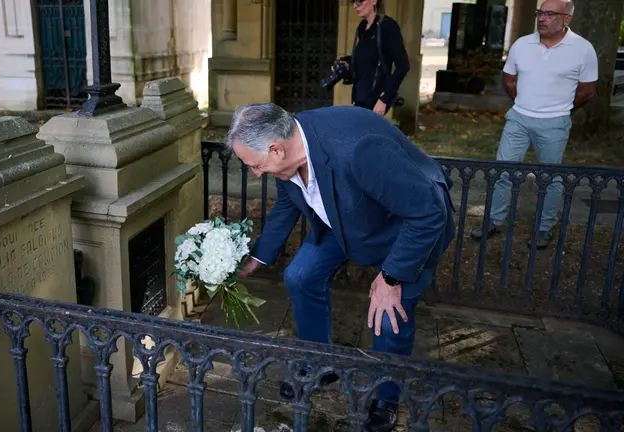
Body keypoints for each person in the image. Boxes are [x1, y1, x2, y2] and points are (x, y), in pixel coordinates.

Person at [227, 103, 456, 432]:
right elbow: (289, 203)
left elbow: (428, 213)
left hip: (403, 224)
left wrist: (391, 278)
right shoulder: (287, 150)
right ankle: (321, 364)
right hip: (344, 213)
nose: (256, 173)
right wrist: (258, 256)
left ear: (276, 149)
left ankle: (387, 396)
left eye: (256, 165)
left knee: (387, 316)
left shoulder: (360, 151)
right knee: (300, 276)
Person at [471, 0, 597, 249]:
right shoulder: (522, 44)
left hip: (554, 123)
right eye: (540, 13)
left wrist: (562, 110)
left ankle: (543, 228)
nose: (541, 18)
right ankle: (493, 220)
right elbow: (509, 79)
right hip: (518, 119)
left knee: (550, 178)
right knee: (503, 171)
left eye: (549, 14)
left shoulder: (583, 49)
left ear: (566, 19)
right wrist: (524, 103)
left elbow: (587, 90)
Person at [338, 0, 410, 116]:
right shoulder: (362, 27)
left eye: (359, 2)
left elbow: (403, 66)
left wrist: (384, 99)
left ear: (373, 1)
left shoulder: (388, 26)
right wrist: (346, 63)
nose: (355, 6)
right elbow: (366, 58)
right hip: (359, 98)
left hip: (376, 101)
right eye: (353, 2)